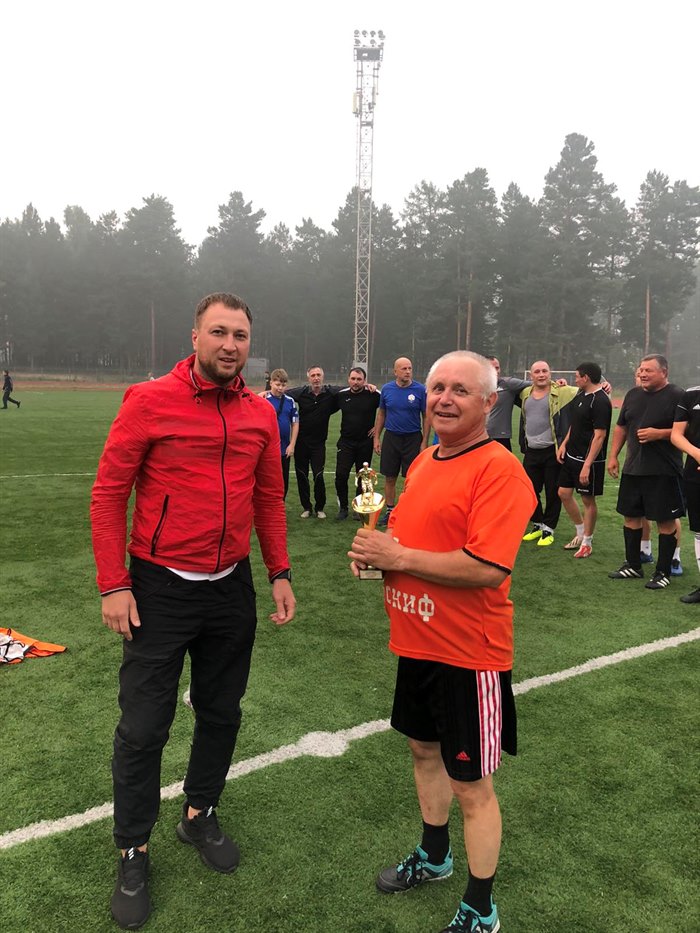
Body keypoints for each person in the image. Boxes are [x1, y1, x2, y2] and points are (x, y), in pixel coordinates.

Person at [90, 292, 295, 930]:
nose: (231, 345)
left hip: (230, 588)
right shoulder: (148, 401)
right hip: (159, 588)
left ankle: (199, 813)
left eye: (241, 335)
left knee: (221, 711)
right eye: (219, 332)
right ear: (196, 336)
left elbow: (269, 498)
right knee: (143, 726)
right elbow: (109, 494)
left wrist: (279, 572)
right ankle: (132, 849)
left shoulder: (260, 413)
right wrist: (113, 584)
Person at [349, 350, 536, 933]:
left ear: (490, 402)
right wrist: (378, 557)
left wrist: (399, 556)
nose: (445, 399)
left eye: (461, 390)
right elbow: (407, 532)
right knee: (423, 751)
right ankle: (434, 855)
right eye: (438, 388)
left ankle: (481, 907)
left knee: (471, 785)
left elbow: (487, 567)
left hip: (468, 653)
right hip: (416, 643)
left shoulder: (500, 470)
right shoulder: (426, 460)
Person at [607, 354, 685, 590]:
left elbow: (688, 429)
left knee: (665, 521)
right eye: (640, 370)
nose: (642, 374)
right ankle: (633, 565)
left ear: (664, 372)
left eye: (648, 370)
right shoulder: (633, 394)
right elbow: (621, 427)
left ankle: (663, 572)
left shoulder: (677, 395)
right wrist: (613, 456)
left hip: (664, 470)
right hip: (633, 468)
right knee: (630, 516)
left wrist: (660, 434)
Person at [519, 360, 579, 547]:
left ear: (550, 373)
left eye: (544, 371)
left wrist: (604, 386)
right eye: (537, 371)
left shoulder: (562, 391)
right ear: (531, 375)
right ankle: (537, 523)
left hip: (552, 451)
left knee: (553, 492)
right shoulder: (525, 393)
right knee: (529, 490)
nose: (541, 374)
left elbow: (588, 391)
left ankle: (548, 528)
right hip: (531, 451)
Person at [556, 362, 613, 557]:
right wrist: (564, 444)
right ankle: (580, 532)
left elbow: (600, 435)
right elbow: (575, 423)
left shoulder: (600, 401)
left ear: (586, 377)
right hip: (571, 455)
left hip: (588, 461)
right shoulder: (582, 395)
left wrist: (587, 465)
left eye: (577, 376)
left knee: (588, 500)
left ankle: (587, 542)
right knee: (563, 493)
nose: (575, 380)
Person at [373, 357, 429, 526]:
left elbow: (426, 416)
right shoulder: (387, 389)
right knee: (390, 477)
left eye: (409, 368)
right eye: (404, 368)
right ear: (395, 371)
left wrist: (424, 442)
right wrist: (377, 437)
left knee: (411, 479)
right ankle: (390, 511)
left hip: (413, 438)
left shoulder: (420, 390)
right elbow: (382, 414)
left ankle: (408, 511)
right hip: (391, 438)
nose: (407, 371)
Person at [286, 366, 341, 519]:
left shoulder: (330, 393)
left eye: (318, 375)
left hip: (319, 444)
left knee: (318, 475)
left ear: (322, 376)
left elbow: (350, 388)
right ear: (308, 377)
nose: (316, 378)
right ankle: (306, 507)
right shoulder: (301, 392)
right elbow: (281, 392)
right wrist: (265, 393)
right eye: (313, 375)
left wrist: (368, 386)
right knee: (302, 475)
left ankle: (320, 508)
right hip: (301, 443)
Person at [334, 366, 380, 520]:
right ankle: (343, 508)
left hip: (365, 443)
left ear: (364, 381)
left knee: (363, 478)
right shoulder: (341, 395)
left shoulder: (373, 394)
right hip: (346, 443)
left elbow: (390, 408)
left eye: (359, 379)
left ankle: (359, 508)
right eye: (353, 379)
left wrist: (378, 427)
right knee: (341, 475)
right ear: (348, 379)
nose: (355, 382)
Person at [671, 383, 700, 603]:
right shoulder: (691, 394)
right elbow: (676, 434)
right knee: (699, 532)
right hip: (694, 473)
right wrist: (697, 453)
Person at [265, 368, 299, 499]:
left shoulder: (290, 401)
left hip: (284, 448)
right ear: (271, 383)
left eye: (283, 385)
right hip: (268, 449)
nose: (280, 388)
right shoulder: (264, 400)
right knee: (268, 481)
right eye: (277, 384)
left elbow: (295, 423)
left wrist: (292, 445)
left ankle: (281, 504)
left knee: (283, 481)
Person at [484, 357, 530, 449]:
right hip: (480, 437)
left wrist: (556, 383)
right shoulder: (475, 387)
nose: (496, 371)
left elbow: (535, 383)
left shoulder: (508, 384)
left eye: (497, 368)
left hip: (501, 437)